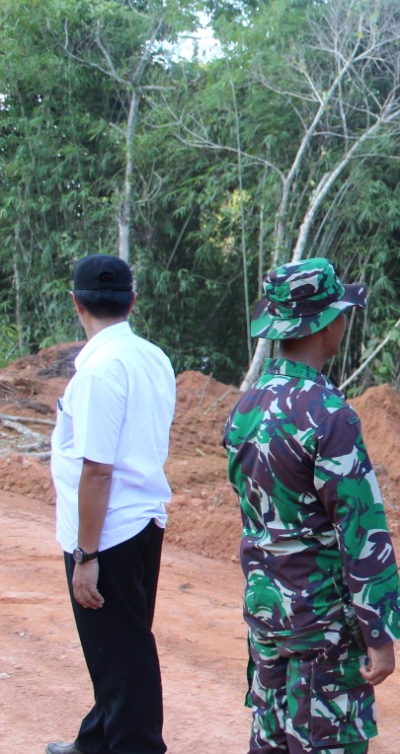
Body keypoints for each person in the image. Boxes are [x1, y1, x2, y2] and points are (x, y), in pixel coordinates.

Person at [224, 258, 400, 754]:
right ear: (330, 324)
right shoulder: (330, 415)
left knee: (270, 741)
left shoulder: (247, 406)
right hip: (323, 625)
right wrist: (379, 630)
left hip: (267, 613)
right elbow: (361, 531)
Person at [47, 254, 177, 754]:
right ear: (132, 300)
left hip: (107, 532)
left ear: (76, 302)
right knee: (120, 645)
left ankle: (135, 746)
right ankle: (96, 742)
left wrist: (86, 556)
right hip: (142, 520)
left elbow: (97, 470)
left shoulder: (99, 372)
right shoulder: (153, 357)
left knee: (123, 657)